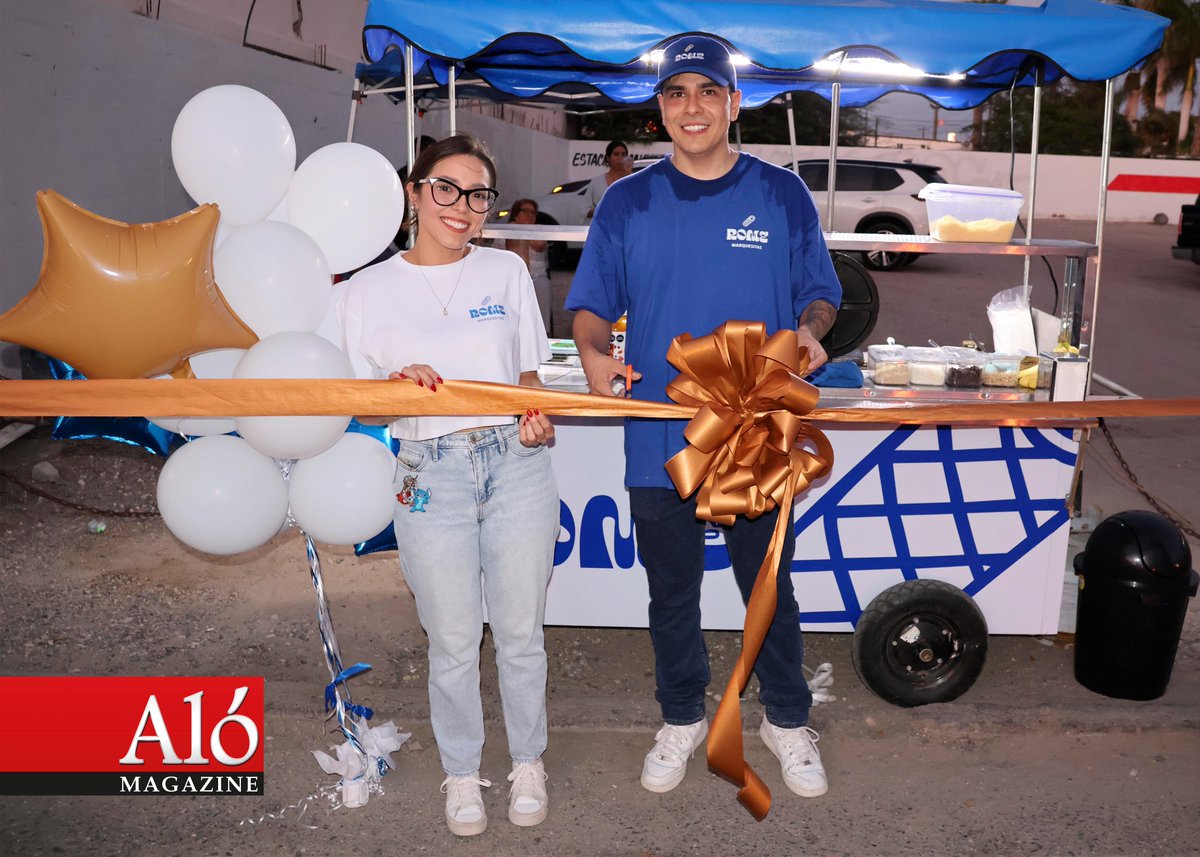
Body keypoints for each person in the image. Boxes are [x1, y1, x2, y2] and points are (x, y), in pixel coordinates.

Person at [565, 36, 842, 800]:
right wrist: (593, 354)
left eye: (708, 91)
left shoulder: (780, 194)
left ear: (733, 103)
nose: (692, 107)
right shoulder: (627, 201)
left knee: (769, 588)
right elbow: (591, 306)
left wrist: (810, 331)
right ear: (660, 108)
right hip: (662, 437)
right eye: (677, 92)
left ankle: (786, 718)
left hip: (756, 434)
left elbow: (820, 292)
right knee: (671, 593)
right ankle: (681, 715)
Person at [339, 134, 559, 837]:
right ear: (414, 192)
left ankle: (528, 761)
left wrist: (536, 420)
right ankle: (462, 771)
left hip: (515, 464)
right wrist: (392, 385)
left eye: (478, 195)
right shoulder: (366, 290)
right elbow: (360, 403)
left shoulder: (506, 271)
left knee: (521, 633)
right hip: (428, 472)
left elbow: (528, 378)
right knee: (455, 639)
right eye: (446, 188)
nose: (461, 206)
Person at [501, 198, 553, 334]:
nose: (530, 215)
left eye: (533, 212)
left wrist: (521, 230)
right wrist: (513, 230)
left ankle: (542, 333)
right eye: (525, 211)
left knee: (542, 287)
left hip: (537, 276)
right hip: (510, 277)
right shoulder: (505, 230)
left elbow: (539, 246)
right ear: (515, 214)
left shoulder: (539, 230)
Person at [584, 139, 634, 219]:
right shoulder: (597, 182)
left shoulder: (632, 181)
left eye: (623, 154)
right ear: (608, 158)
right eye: (616, 154)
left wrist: (629, 174)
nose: (620, 157)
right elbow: (585, 211)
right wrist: (605, 210)